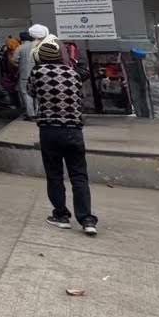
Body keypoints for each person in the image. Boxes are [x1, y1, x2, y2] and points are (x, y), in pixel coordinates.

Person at [28, 36, 98, 236]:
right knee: (79, 175)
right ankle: (86, 219)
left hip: (50, 130)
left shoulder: (38, 72)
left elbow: (30, 91)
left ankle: (61, 216)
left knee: (55, 174)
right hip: (74, 131)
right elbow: (79, 97)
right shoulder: (73, 74)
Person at [14, 24, 49, 119]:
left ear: (21, 39)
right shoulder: (37, 46)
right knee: (37, 93)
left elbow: (15, 60)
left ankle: (31, 115)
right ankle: (38, 113)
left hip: (25, 75)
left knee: (26, 94)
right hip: (37, 74)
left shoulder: (20, 48)